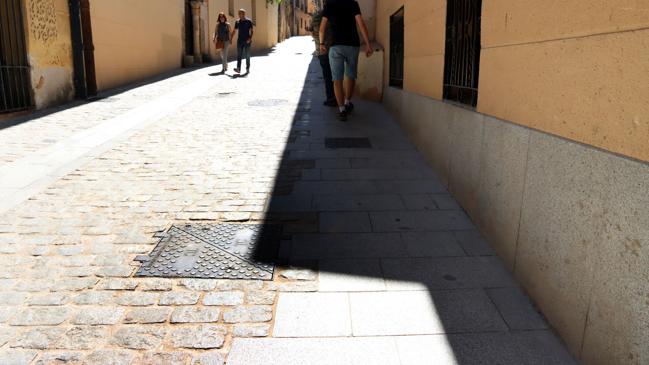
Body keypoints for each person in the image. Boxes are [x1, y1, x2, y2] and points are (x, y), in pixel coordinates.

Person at [319, 0, 373, 121]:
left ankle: (342, 110)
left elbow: (322, 28)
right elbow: (361, 24)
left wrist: (321, 43)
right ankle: (348, 102)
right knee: (351, 76)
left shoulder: (330, 5)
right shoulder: (353, 4)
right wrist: (368, 44)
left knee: (336, 79)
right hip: (352, 45)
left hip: (335, 46)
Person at [310, 4, 336, 107]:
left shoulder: (316, 17)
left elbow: (311, 32)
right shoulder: (333, 16)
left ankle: (330, 98)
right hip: (333, 48)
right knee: (336, 75)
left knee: (327, 75)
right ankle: (338, 97)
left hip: (320, 50)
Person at [232, 9, 254, 74]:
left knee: (247, 55)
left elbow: (252, 31)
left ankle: (247, 68)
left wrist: (250, 38)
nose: (240, 15)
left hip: (247, 41)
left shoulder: (249, 21)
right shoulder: (237, 22)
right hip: (240, 41)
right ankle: (238, 68)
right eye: (239, 13)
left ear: (244, 14)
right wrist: (231, 38)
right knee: (239, 55)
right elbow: (234, 30)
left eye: (241, 13)